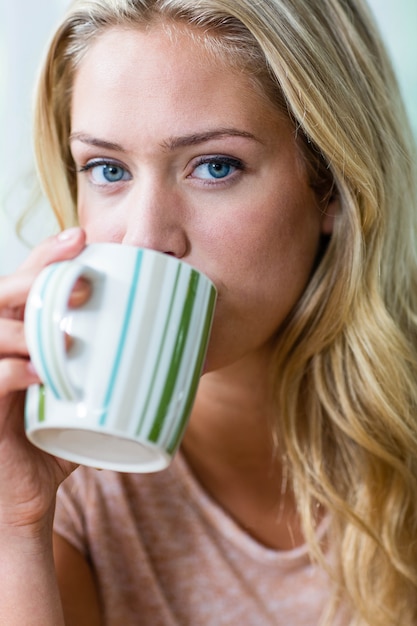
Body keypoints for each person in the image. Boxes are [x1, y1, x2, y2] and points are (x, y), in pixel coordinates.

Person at [1, 0, 417, 624]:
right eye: (107, 169)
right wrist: (14, 527)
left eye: (215, 166)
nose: (144, 239)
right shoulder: (63, 479)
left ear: (332, 184)